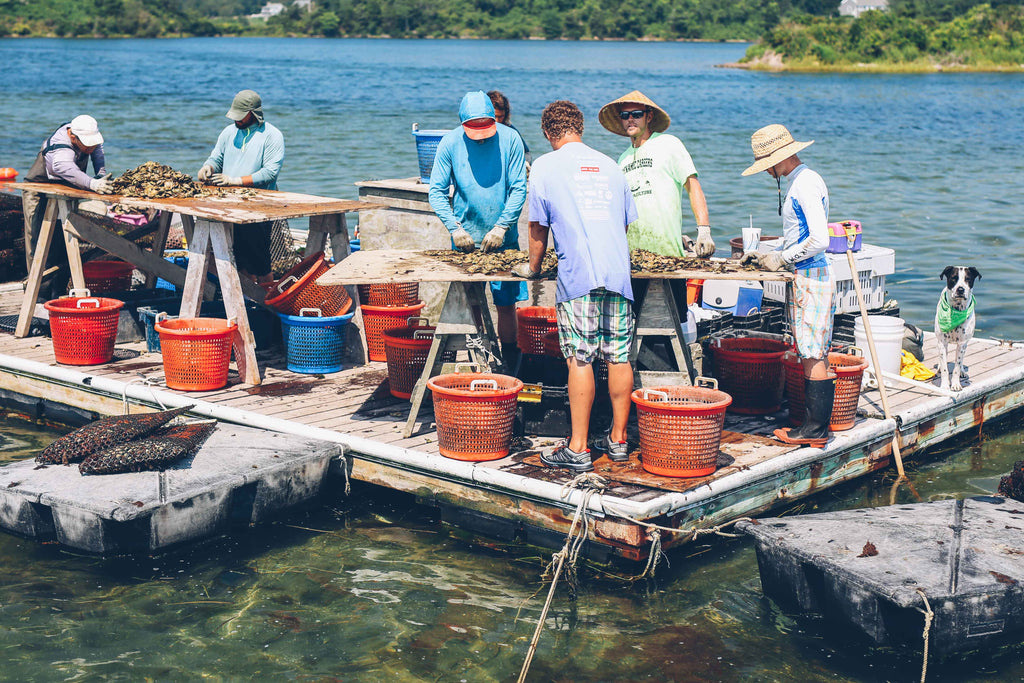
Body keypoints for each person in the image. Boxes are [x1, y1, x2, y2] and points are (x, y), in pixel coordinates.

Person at [512, 100, 638, 473]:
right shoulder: (611, 165)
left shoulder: (546, 167)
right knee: (618, 355)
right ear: (579, 129)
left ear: (548, 133)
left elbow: (537, 227)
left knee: (580, 357)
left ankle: (579, 448)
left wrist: (533, 268)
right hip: (618, 274)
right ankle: (618, 442)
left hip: (580, 276)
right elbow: (624, 223)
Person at [740, 124, 835, 447]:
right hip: (809, 273)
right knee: (814, 350)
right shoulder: (804, 180)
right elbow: (800, 234)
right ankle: (813, 426)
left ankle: (815, 430)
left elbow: (821, 239)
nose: (766, 171)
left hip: (811, 275)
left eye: (765, 164)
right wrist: (770, 253)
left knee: (812, 352)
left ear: (777, 158)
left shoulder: (804, 185)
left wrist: (783, 258)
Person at [428, 90, 528, 365]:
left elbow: (519, 188)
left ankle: (509, 358)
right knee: (470, 303)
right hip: (464, 239)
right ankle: (480, 357)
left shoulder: (511, 140)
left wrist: (501, 227)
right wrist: (454, 229)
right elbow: (436, 191)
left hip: (503, 238)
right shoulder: (449, 143)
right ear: (463, 123)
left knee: (506, 304)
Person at [598, 90, 713, 259]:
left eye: (636, 114)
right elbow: (621, 210)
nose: (630, 119)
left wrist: (704, 230)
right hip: (633, 255)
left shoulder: (668, 144)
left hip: (668, 253)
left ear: (649, 117)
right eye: (625, 115)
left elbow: (692, 185)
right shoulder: (622, 160)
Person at [197, 89, 284, 283]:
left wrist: (235, 181)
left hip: (259, 206)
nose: (236, 120)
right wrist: (207, 167)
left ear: (253, 113)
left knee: (260, 261)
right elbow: (216, 157)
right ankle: (247, 300)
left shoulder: (272, 136)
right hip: (229, 205)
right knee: (238, 258)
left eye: (241, 116)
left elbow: (270, 172)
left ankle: (267, 305)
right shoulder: (229, 132)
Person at [21, 115, 114, 273]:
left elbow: (97, 149)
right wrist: (93, 184)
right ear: (72, 136)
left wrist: (100, 173)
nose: (91, 148)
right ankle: (39, 291)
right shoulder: (60, 147)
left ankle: (60, 288)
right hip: (39, 190)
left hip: (66, 190)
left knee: (66, 238)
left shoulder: (85, 134)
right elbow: (65, 169)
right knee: (38, 240)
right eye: (87, 145)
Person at [487, 90, 531, 164]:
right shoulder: (474, 130)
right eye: (494, 116)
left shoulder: (511, 132)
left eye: (500, 117)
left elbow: (526, 154)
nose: (497, 121)